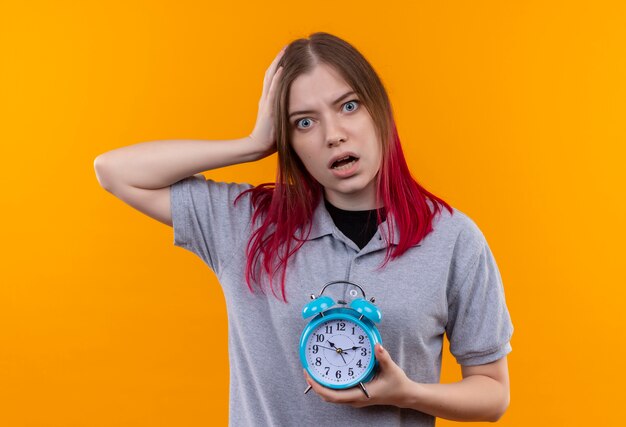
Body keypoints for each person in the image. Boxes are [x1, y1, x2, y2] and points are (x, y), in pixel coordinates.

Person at [94, 32, 514, 426]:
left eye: (348, 106)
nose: (334, 135)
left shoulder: (453, 240)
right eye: (304, 122)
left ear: (379, 111)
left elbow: (493, 393)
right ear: (287, 140)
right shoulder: (247, 224)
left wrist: (408, 393)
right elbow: (114, 171)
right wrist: (252, 144)